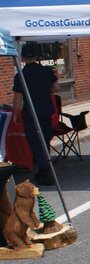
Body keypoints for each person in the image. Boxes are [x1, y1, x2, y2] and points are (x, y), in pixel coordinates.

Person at [12, 44, 57, 186]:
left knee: (36, 142)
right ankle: (45, 167)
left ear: (23, 58)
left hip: (32, 113)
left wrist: (15, 114)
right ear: (36, 57)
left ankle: (45, 171)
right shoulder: (46, 71)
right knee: (45, 139)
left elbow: (18, 98)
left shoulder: (21, 75)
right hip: (46, 110)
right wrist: (45, 93)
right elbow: (56, 87)